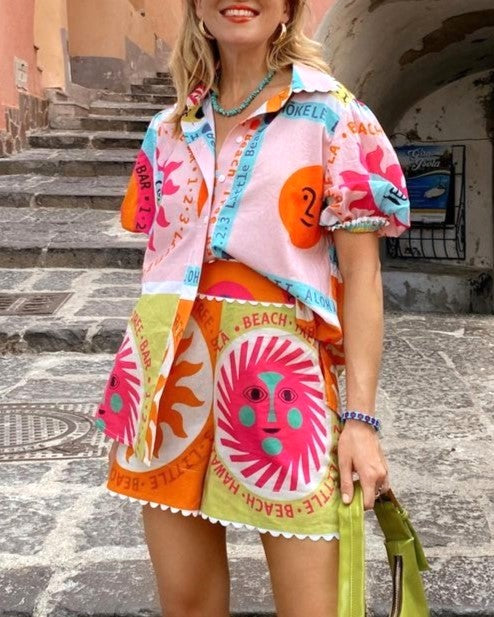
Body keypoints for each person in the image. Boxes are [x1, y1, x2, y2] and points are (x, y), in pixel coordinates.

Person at [94, 1, 411, 615]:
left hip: (280, 379)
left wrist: (361, 421)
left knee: (313, 607)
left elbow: (364, 277)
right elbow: (160, 262)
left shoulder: (335, 115)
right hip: (170, 378)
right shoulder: (168, 128)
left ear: (290, 6)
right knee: (187, 605)